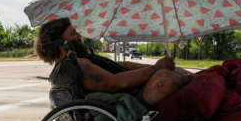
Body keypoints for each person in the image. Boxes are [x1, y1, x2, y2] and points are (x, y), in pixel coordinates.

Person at [35, 18, 193, 108]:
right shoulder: (75, 65)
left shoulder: (79, 60)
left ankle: (199, 80)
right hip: (132, 97)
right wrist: (155, 68)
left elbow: (123, 66)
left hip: (136, 89)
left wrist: (156, 66)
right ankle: (198, 80)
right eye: (73, 33)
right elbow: (115, 83)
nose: (79, 36)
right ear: (60, 43)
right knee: (165, 77)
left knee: (175, 70)